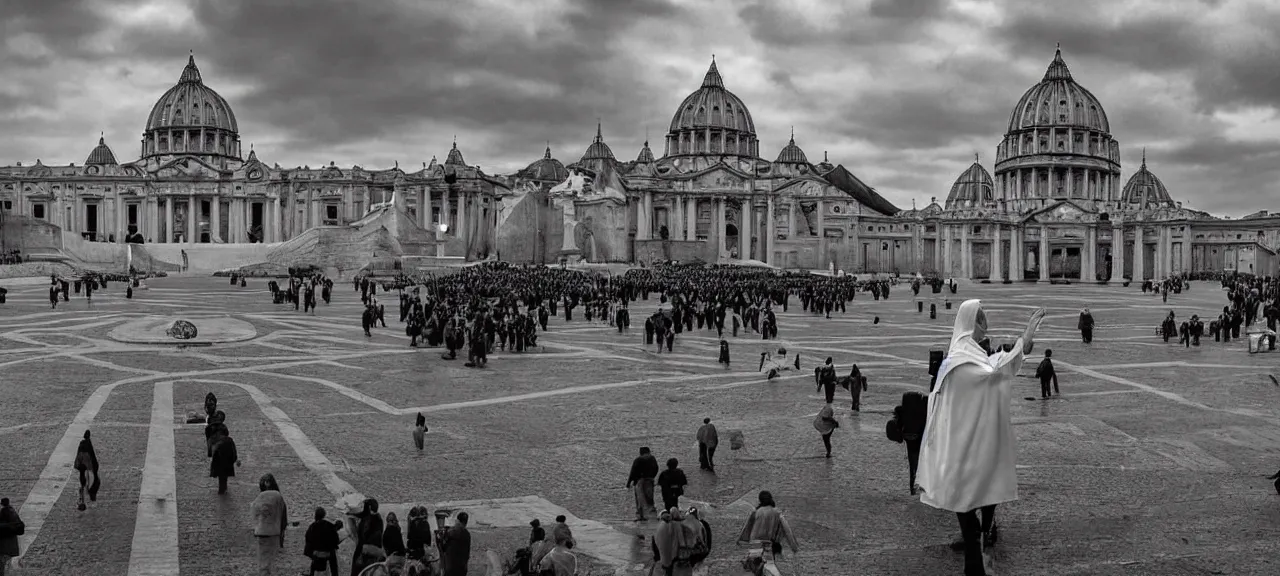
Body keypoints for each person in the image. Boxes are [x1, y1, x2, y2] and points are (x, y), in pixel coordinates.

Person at [917, 300, 1045, 576]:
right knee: (965, 501)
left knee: (970, 499)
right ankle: (976, 557)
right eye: (982, 318)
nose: (986, 323)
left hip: (967, 441)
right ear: (971, 323)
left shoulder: (968, 353)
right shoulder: (960, 361)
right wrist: (1024, 341)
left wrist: (1024, 344)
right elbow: (993, 371)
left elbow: (993, 363)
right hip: (962, 444)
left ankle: (977, 553)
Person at [735, 491, 799, 567]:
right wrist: (794, 546)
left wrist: (740, 540)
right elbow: (787, 530)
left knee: (755, 566)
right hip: (769, 545)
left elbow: (747, 527)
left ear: (760, 500)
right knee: (769, 566)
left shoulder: (756, 512)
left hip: (754, 545)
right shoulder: (777, 513)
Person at [250, 473, 288, 576]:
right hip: (273, 531)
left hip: (262, 531)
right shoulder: (277, 496)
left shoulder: (260, 498)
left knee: (263, 558)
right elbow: (283, 515)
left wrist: (255, 528)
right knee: (271, 558)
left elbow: (254, 513)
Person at [303, 507, 341, 576]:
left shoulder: (312, 526)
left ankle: (312, 573)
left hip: (315, 553)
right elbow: (336, 540)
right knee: (333, 560)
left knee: (314, 561)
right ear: (324, 515)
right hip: (327, 552)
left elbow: (307, 539)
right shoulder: (329, 525)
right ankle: (335, 574)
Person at [627, 447, 659, 521]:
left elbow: (633, 472)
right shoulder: (652, 458)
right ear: (648, 451)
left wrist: (629, 483)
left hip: (639, 481)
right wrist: (652, 477)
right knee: (650, 498)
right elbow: (656, 468)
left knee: (640, 499)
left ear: (640, 452)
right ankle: (652, 515)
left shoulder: (638, 459)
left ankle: (641, 516)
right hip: (649, 480)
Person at [73, 430, 101, 511]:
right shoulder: (86, 448)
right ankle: (91, 496)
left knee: (85, 474)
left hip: (84, 460)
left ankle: (87, 495)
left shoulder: (83, 447)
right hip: (87, 461)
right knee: (92, 476)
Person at [441, 511, 472, 576]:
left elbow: (443, 547)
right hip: (462, 569)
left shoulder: (451, 532)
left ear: (457, 520)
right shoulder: (467, 534)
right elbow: (467, 552)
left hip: (450, 568)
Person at [210, 427, 239, 494]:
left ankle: (222, 489)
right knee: (224, 476)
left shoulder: (216, 441)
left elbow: (214, 452)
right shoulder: (229, 440)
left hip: (219, 462)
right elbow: (233, 451)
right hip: (227, 462)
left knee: (221, 476)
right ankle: (223, 488)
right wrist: (235, 459)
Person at [0, 497, 23, 576]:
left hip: (4, 544)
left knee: (2, 564)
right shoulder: (12, 511)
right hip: (9, 544)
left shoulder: (5, 511)